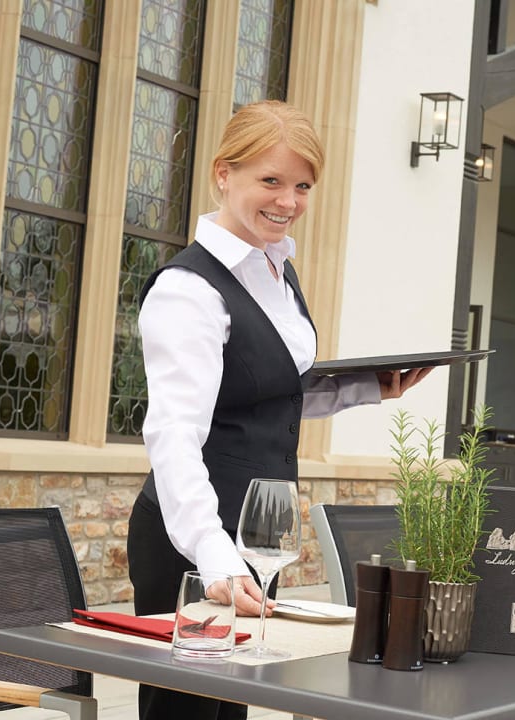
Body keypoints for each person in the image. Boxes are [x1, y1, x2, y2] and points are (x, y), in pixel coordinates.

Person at [127, 100, 430, 720]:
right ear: (223, 174)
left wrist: (371, 386)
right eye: (270, 180)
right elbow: (174, 436)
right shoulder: (189, 290)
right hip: (195, 539)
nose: (287, 200)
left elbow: (262, 393)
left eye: (302, 186)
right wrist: (215, 557)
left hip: (256, 535)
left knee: (235, 705)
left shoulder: (276, 270)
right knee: (185, 714)